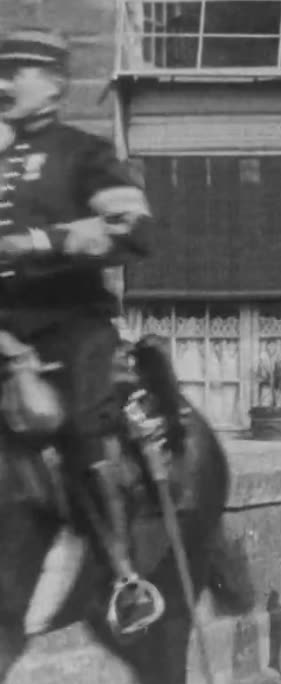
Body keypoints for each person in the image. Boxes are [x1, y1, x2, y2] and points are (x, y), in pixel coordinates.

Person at [0, 29, 163, 635]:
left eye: (20, 70)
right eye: (1, 68)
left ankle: (125, 578)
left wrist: (43, 241)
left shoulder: (84, 154)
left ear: (55, 83)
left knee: (80, 430)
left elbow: (136, 231)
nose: (5, 81)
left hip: (70, 325)